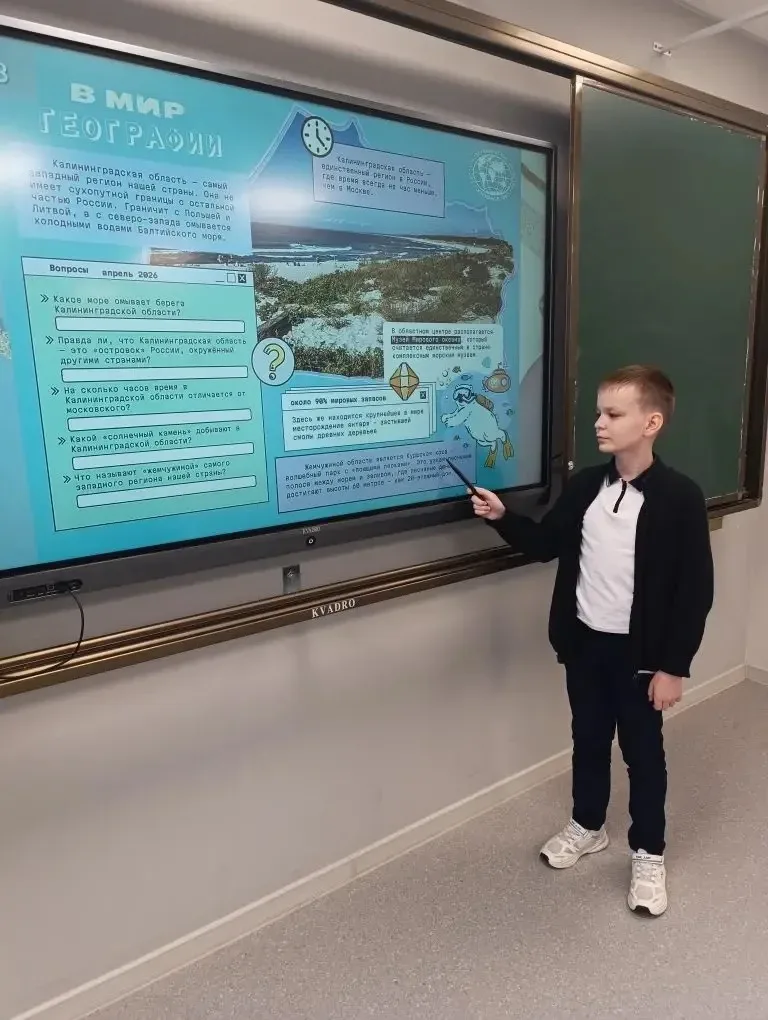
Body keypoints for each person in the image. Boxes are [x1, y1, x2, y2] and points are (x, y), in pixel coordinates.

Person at [470, 365, 713, 917]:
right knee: (588, 739)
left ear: (651, 423)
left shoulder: (679, 497)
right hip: (584, 644)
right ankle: (588, 824)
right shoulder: (585, 487)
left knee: (643, 755)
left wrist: (674, 667)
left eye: (613, 414)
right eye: (599, 412)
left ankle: (648, 851)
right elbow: (545, 544)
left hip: (641, 656)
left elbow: (695, 591)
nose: (599, 423)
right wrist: (502, 517)